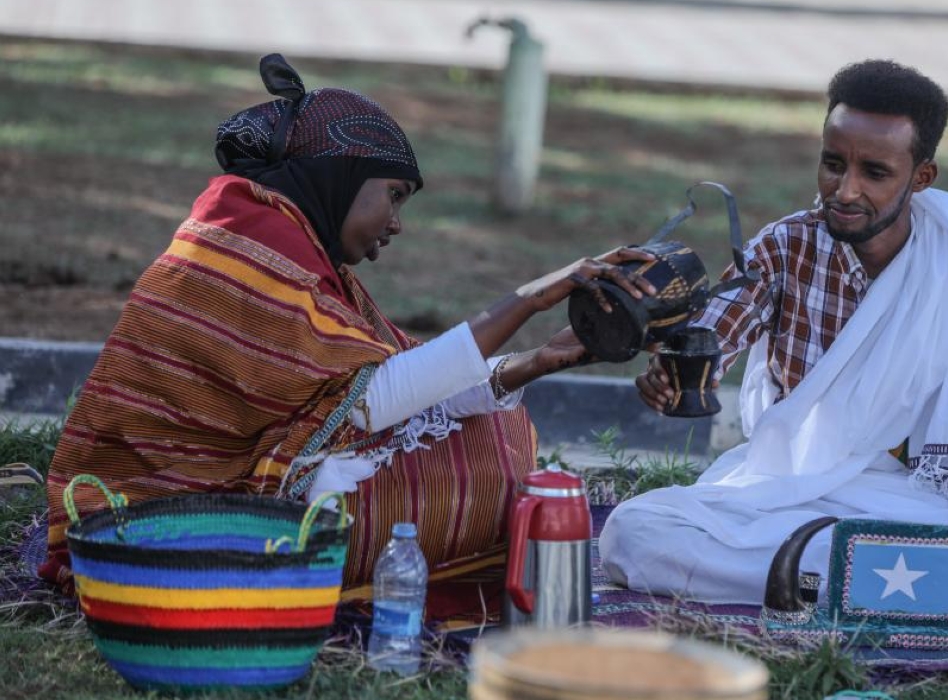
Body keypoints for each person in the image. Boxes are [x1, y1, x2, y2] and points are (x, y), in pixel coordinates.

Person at [40, 55, 655, 619]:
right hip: (164, 510)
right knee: (489, 461)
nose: (395, 223)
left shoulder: (292, 246)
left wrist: (535, 362)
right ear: (342, 174)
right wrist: (532, 296)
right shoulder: (252, 242)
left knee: (495, 434)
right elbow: (366, 405)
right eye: (393, 195)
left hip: (237, 485)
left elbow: (363, 399)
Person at [599, 59, 948, 621]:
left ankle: (814, 580)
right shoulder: (786, 245)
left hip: (924, 501)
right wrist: (675, 366)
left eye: (874, 173)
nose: (844, 190)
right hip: (790, 489)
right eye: (833, 164)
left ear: (921, 178)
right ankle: (913, 590)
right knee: (636, 532)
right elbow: (715, 332)